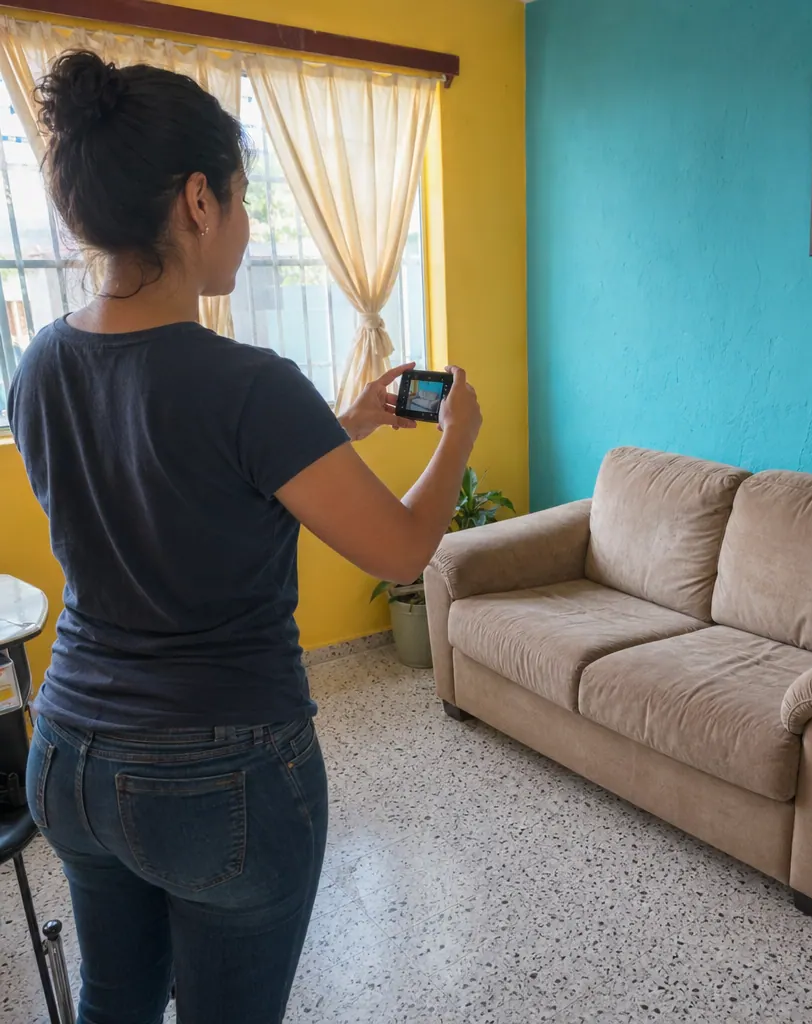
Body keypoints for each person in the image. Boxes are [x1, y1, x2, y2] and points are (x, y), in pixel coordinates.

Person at [8, 50, 481, 1024]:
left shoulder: (39, 362)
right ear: (195, 200)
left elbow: (165, 480)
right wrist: (457, 440)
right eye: (242, 194)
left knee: (115, 1002)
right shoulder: (248, 384)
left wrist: (337, 427)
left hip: (67, 754)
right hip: (216, 772)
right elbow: (400, 550)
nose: (248, 221)